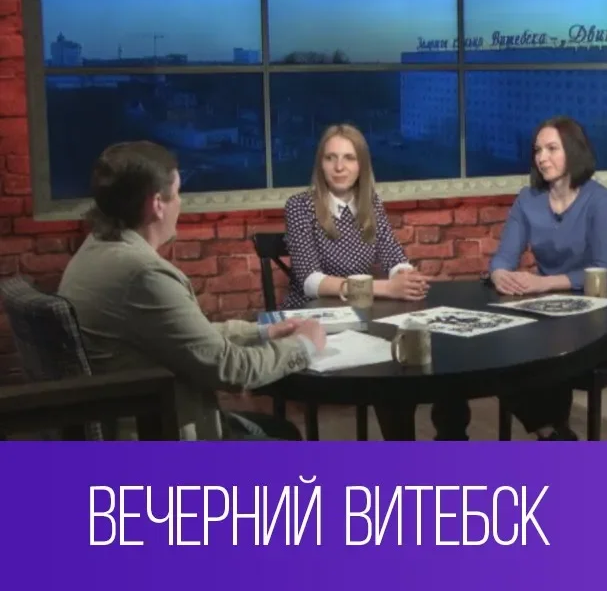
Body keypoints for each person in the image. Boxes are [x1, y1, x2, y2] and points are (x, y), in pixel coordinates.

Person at [58, 141, 325, 441]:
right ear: (157, 204)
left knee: (281, 431)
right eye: (177, 193)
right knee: (287, 440)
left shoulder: (95, 249)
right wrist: (304, 345)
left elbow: (186, 338)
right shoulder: (142, 275)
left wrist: (263, 333)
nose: (180, 203)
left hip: (132, 424)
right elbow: (229, 369)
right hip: (159, 438)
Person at [436, 116, 607, 441]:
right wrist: (500, 274)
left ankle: (551, 432)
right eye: (537, 150)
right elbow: (504, 256)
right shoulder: (528, 199)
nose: (541, 158)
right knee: (490, 347)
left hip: (591, 313)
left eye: (551, 149)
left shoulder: (598, 199)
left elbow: (604, 269)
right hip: (544, 309)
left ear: (574, 151)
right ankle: (549, 433)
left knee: (536, 352)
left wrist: (543, 283)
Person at [282, 124, 429, 309]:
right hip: (310, 312)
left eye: (349, 158)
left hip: (358, 309)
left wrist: (407, 278)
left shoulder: (372, 203)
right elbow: (310, 281)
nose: (339, 167)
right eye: (330, 158)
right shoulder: (299, 206)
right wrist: (387, 288)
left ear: (361, 165)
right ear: (321, 165)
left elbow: (394, 257)